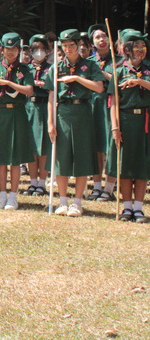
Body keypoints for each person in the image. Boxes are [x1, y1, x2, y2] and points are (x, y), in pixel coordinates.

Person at [45, 29, 106, 217]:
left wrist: (77, 78)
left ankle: (77, 202)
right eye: (65, 46)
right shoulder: (56, 67)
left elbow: (99, 87)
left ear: (78, 45)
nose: (69, 49)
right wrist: (50, 122)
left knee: (82, 157)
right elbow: (51, 96)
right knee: (62, 158)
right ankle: (63, 201)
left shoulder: (90, 65)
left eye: (72, 45)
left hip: (83, 111)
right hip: (63, 112)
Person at [0, 33, 34, 210]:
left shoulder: (24, 69)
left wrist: (9, 83)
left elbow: (29, 90)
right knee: (1, 157)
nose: (10, 52)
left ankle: (13, 196)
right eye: (7, 49)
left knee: (15, 158)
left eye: (14, 49)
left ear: (19, 50)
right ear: (2, 50)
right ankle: (2, 194)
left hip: (17, 113)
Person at [108, 31, 150, 223]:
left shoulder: (148, 69)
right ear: (127, 49)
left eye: (143, 46)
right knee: (125, 167)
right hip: (125, 120)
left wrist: (140, 81)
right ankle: (127, 207)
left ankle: (138, 208)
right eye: (136, 46)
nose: (141, 50)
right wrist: (115, 128)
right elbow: (113, 102)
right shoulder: (118, 72)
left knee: (141, 166)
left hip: (144, 122)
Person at [87, 24, 117, 201]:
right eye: (97, 37)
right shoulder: (89, 62)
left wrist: (104, 75)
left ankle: (109, 188)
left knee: (112, 146)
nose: (102, 40)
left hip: (112, 105)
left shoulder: (119, 60)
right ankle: (97, 187)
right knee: (96, 147)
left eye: (104, 36)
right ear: (93, 43)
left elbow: (120, 81)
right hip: (94, 105)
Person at [24, 34, 52, 196]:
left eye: (42, 49)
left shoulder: (52, 68)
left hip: (44, 106)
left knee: (43, 147)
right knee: (31, 147)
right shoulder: (25, 68)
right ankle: (33, 182)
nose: (39, 52)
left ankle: (42, 182)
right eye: (36, 49)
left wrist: (44, 85)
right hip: (29, 106)